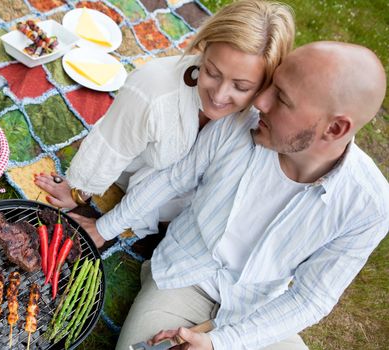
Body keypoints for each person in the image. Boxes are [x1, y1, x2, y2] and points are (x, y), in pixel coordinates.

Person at [70, 41, 389, 350]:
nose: (261, 101)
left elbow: (311, 298)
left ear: (334, 129)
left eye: (283, 99)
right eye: (271, 85)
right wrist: (103, 229)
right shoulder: (241, 123)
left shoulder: (369, 206)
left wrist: (220, 343)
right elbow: (173, 179)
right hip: (182, 279)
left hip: (258, 310)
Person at [34, 0, 295, 238]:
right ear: (203, 50)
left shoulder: (260, 117)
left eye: (241, 86)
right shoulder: (152, 91)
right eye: (213, 72)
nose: (219, 95)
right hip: (138, 175)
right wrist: (78, 192)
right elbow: (113, 146)